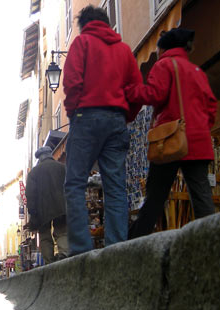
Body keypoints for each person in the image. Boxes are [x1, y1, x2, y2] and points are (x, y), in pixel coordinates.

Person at [62, 6, 142, 256]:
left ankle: (82, 250)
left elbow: (72, 83)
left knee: (75, 184)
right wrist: (126, 115)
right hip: (116, 120)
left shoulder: (81, 43)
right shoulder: (124, 50)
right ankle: (116, 248)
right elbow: (136, 91)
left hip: (86, 116)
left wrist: (73, 112)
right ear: (107, 24)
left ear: (84, 25)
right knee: (115, 187)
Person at [126, 28, 217, 239]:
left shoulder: (165, 65)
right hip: (197, 141)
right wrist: (200, 127)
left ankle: (136, 242)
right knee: (201, 196)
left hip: (170, 140)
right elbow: (211, 106)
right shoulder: (197, 71)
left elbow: (155, 94)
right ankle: (213, 237)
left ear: (163, 48)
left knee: (156, 196)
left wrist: (131, 90)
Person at [25, 146, 68, 264]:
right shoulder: (62, 168)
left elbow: (30, 195)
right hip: (61, 206)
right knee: (62, 231)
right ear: (50, 154)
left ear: (39, 158)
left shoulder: (33, 173)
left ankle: (49, 261)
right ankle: (64, 254)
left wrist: (33, 213)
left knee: (44, 236)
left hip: (42, 210)